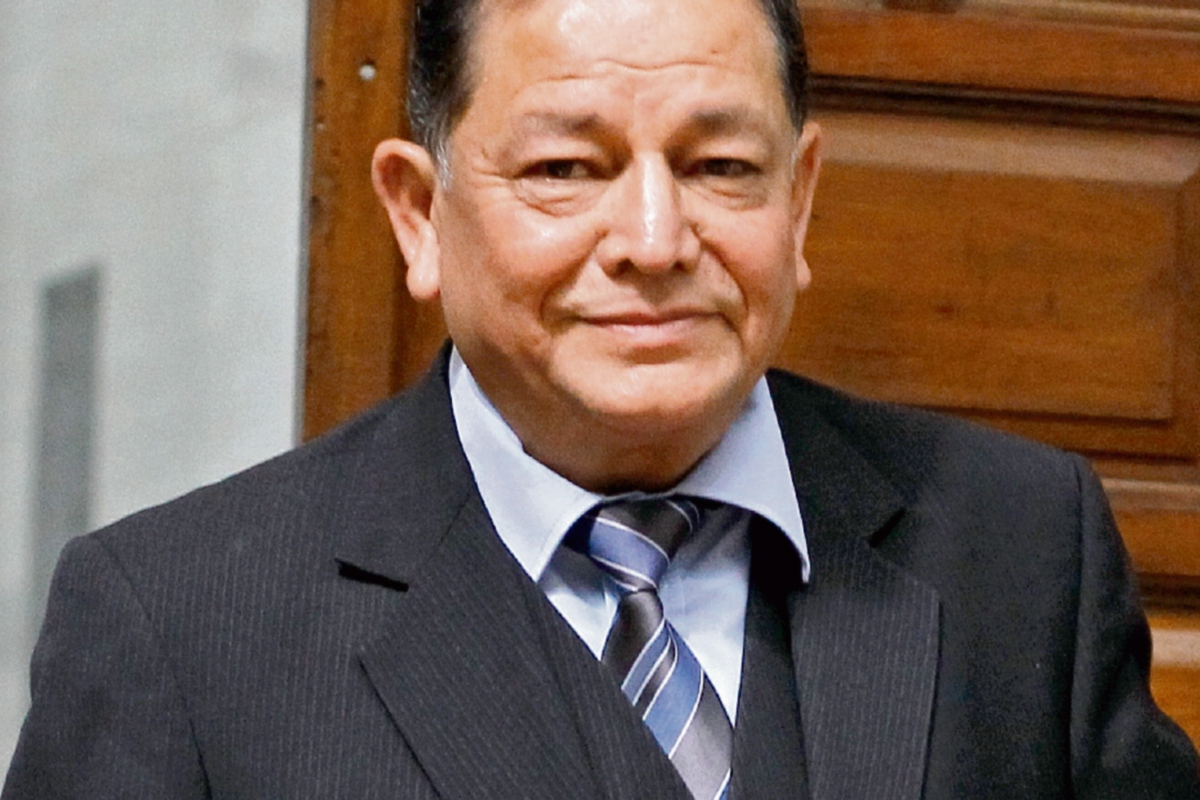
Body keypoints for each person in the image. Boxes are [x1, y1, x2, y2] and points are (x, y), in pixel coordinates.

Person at [4, 0, 1199, 795]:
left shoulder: (1018, 548)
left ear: (800, 200)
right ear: (417, 215)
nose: (653, 239)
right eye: (565, 168)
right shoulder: (182, 626)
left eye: (720, 166)